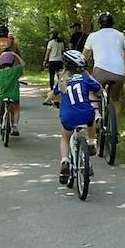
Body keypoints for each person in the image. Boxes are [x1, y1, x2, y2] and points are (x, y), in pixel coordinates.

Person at [55, 49, 101, 184]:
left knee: (65, 137)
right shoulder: (85, 78)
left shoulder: (63, 80)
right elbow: (98, 89)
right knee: (91, 119)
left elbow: (53, 93)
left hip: (68, 117)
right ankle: (92, 143)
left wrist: (48, 100)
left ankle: (64, 161)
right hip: (86, 114)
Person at [83, 12, 125, 120]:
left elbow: (83, 57)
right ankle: (115, 128)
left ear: (99, 24)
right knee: (116, 100)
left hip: (100, 71)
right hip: (119, 72)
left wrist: (83, 70)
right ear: (112, 23)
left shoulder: (93, 36)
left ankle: (97, 117)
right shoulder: (120, 35)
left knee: (93, 93)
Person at [0, 50, 25, 136]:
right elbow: (23, 64)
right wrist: (16, 55)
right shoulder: (16, 70)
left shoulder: (0, 73)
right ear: (12, 62)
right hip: (14, 96)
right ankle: (15, 127)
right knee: (16, 109)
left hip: (3, 96)